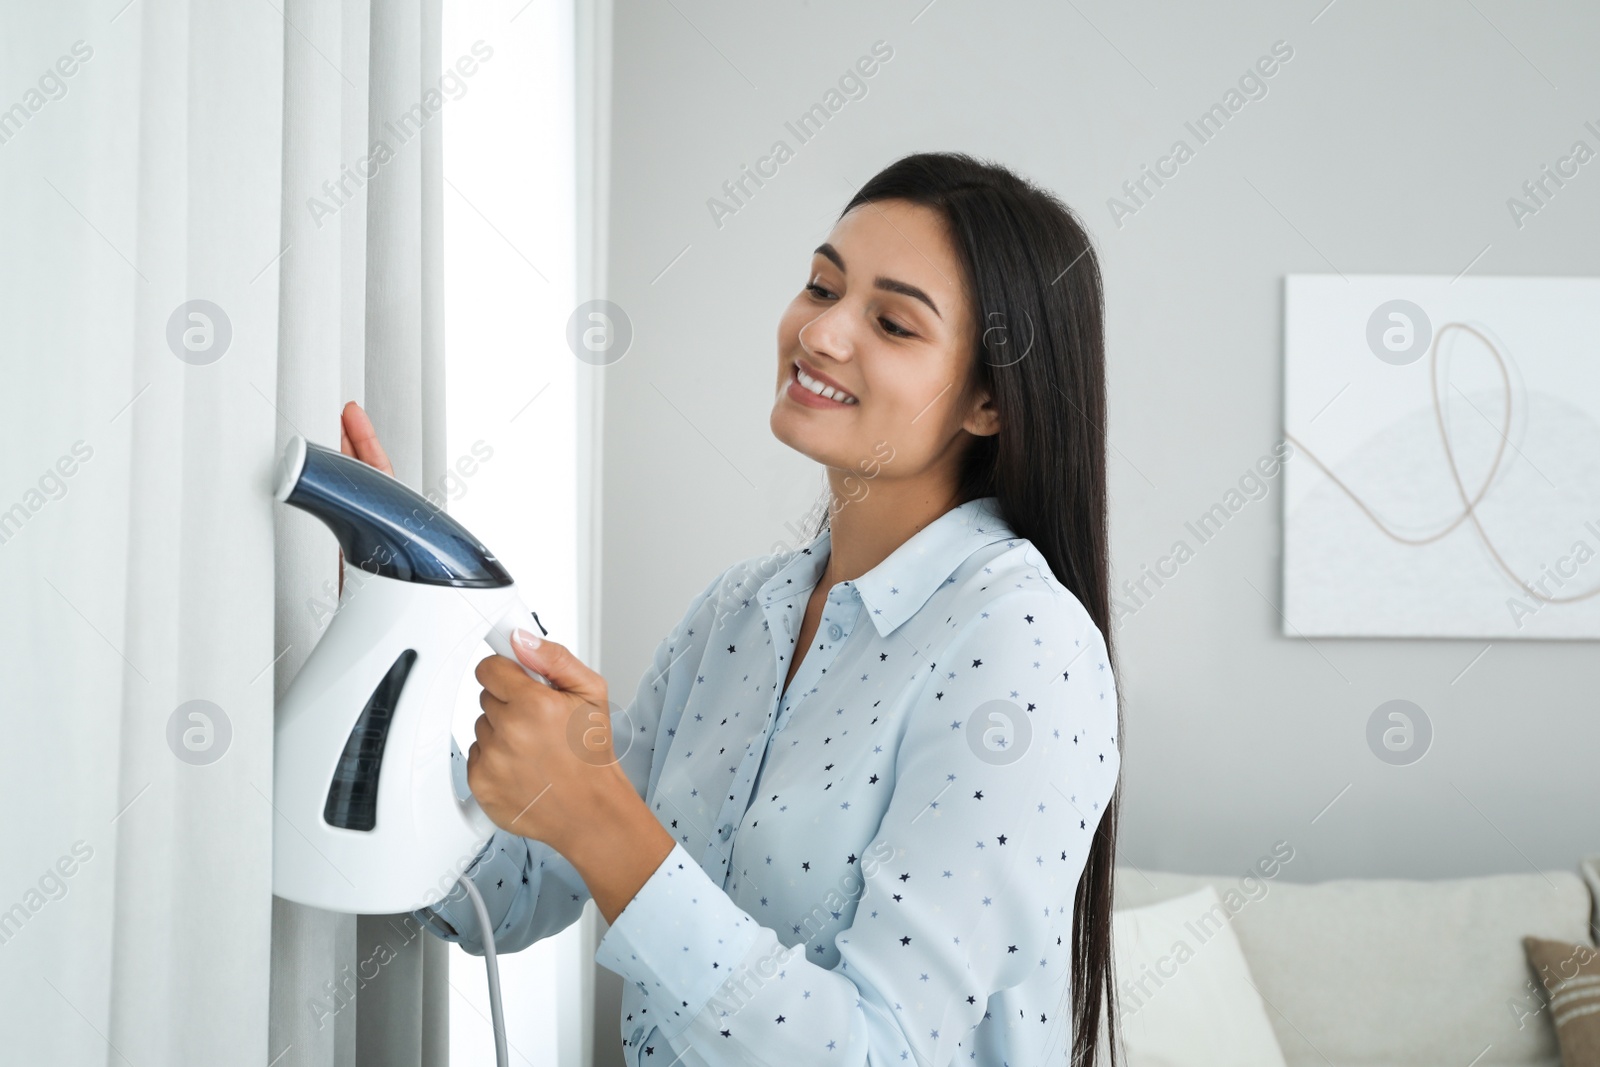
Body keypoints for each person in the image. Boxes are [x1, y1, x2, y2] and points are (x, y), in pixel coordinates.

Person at [343, 150, 1123, 1067]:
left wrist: (602, 814)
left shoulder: (1024, 647)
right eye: (822, 285)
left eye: (893, 322)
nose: (824, 332)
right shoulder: (740, 613)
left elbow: (877, 1054)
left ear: (989, 399)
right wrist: (399, 623)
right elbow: (511, 893)